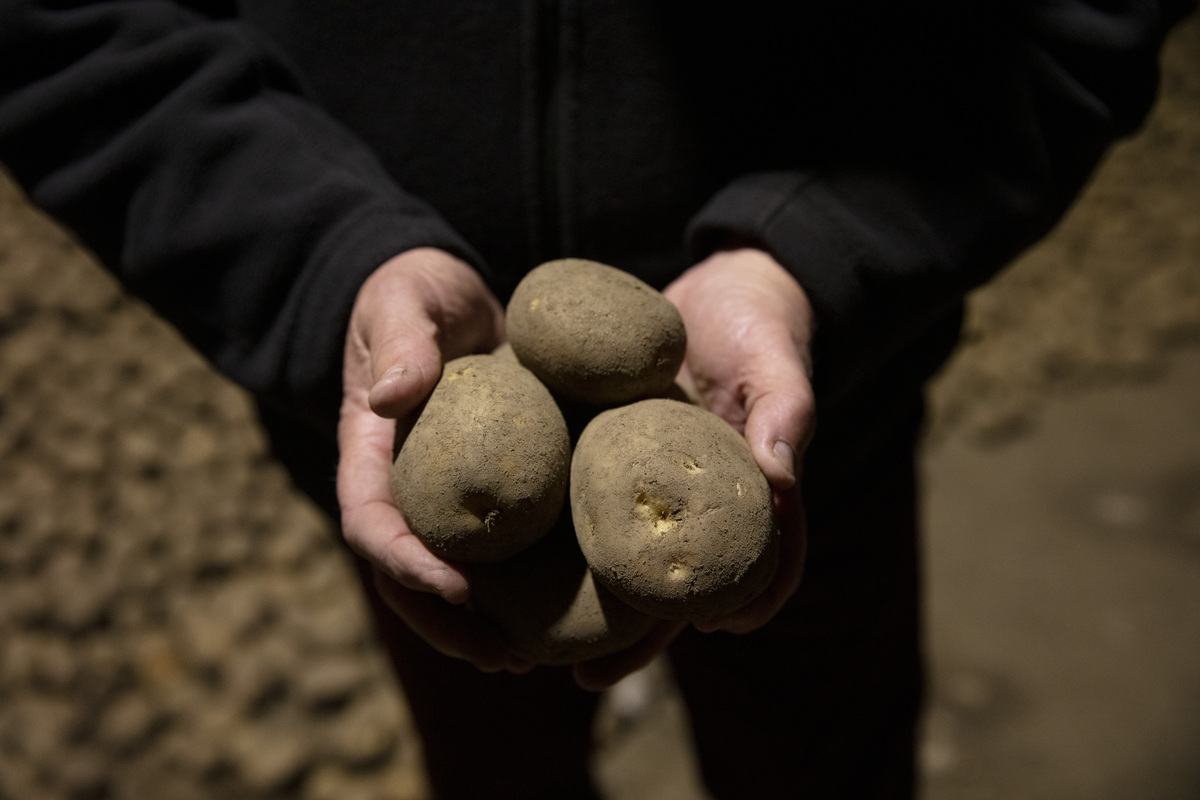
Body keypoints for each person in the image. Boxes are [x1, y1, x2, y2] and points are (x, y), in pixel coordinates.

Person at [1, 2, 1193, 796]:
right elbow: (59, 28)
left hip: (804, 416)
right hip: (424, 447)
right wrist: (324, 257)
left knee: (824, 750)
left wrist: (824, 243)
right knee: (494, 738)